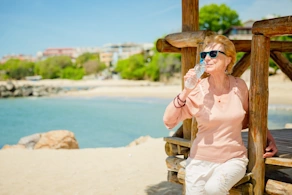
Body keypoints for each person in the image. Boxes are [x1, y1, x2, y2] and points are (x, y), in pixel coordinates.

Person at [163, 34, 278, 195]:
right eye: (204, 55)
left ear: (228, 59)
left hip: (233, 160)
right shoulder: (197, 90)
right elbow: (168, 121)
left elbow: (251, 119)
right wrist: (186, 91)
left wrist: (269, 139)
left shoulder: (239, 86)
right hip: (198, 162)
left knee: (214, 189)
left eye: (213, 54)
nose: (207, 58)